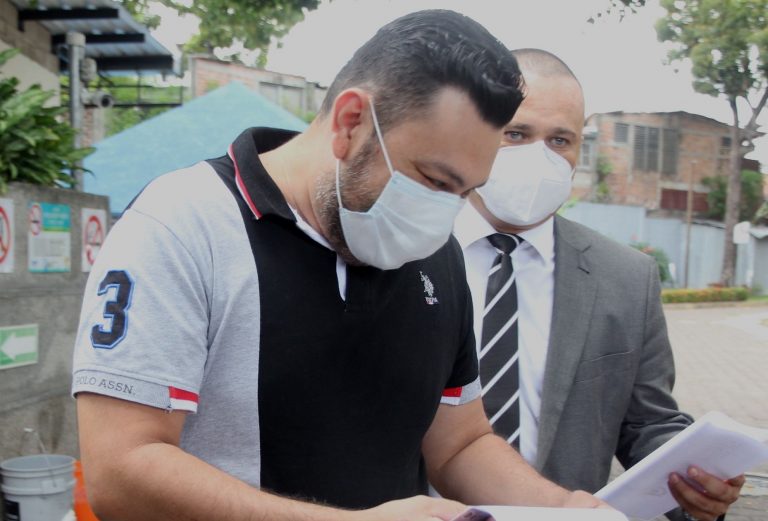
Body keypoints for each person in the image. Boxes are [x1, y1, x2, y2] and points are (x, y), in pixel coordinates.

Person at [71, 12, 609, 521]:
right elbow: (121, 470)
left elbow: (459, 444)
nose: (443, 213)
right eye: (434, 180)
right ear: (351, 122)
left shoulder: (435, 254)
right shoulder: (185, 224)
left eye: (465, 191)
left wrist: (562, 508)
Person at [454, 48, 745, 521]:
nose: (539, 156)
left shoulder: (627, 278)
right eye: (516, 133)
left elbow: (648, 423)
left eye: (560, 140)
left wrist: (696, 482)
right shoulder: (407, 256)